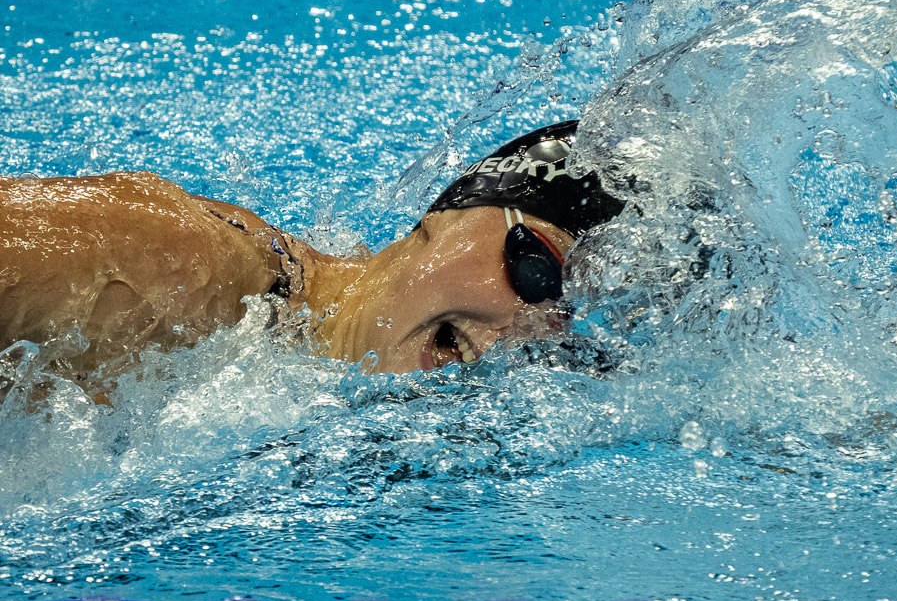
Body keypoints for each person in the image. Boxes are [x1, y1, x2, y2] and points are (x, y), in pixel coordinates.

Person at [0, 121, 624, 386]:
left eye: (567, 331)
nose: (524, 331)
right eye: (537, 271)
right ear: (446, 217)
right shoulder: (180, 262)